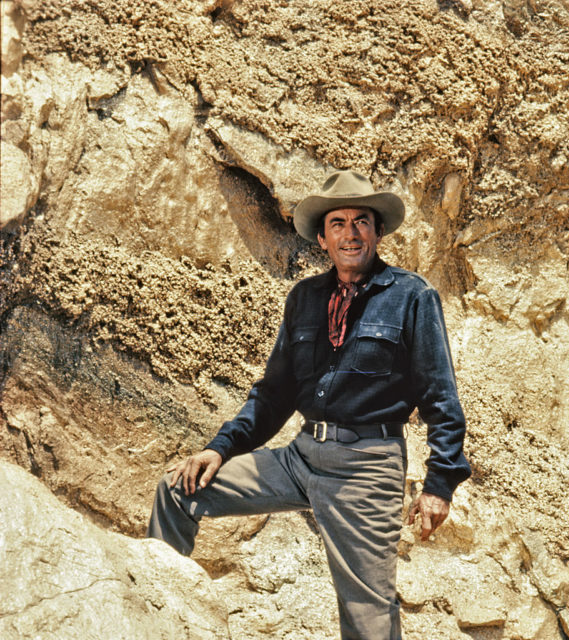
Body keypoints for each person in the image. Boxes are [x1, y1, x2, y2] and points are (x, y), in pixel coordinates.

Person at [147, 170, 471, 639]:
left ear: (378, 232)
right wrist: (220, 448)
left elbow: (441, 397)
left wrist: (440, 484)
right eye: (337, 223)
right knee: (178, 489)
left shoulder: (411, 296)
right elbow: (274, 393)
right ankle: (154, 618)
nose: (350, 232)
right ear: (322, 237)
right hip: (301, 457)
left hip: (366, 468)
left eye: (362, 221)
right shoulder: (304, 298)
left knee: (368, 623)